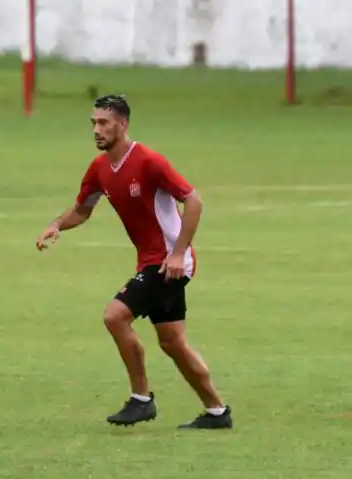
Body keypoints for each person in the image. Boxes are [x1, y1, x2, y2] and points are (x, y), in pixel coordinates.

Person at [35, 95, 232, 430]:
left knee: (115, 316)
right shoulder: (99, 169)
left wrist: (179, 252)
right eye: (93, 123)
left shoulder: (149, 161)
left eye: (103, 123)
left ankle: (141, 400)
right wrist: (57, 224)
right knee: (173, 342)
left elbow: (194, 201)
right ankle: (217, 412)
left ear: (122, 125)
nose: (96, 130)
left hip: (167, 264)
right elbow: (82, 209)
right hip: (153, 263)